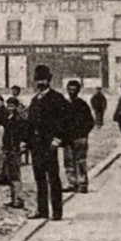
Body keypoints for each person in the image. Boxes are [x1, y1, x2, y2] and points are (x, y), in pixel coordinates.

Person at [26, 64, 70, 220]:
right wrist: (27, 141)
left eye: (43, 80)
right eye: (38, 80)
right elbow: (29, 123)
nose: (40, 83)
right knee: (39, 179)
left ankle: (57, 212)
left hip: (50, 145)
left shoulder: (57, 99)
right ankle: (42, 210)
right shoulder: (34, 100)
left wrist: (57, 141)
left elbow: (64, 122)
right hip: (36, 146)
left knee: (53, 179)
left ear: (49, 81)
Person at [63, 79, 95, 193]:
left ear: (78, 90)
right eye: (70, 89)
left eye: (74, 89)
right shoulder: (64, 104)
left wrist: (83, 133)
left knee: (80, 161)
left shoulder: (82, 104)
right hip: (67, 139)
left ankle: (82, 183)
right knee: (68, 162)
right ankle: (72, 183)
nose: (72, 91)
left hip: (79, 138)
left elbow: (90, 122)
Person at [0, 96, 29, 209]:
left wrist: (21, 146)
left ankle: (18, 199)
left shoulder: (19, 119)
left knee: (15, 175)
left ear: (16, 107)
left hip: (14, 149)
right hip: (8, 148)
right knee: (10, 175)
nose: (10, 108)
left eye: (12, 106)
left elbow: (23, 134)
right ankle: (14, 199)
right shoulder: (9, 118)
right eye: (8, 106)